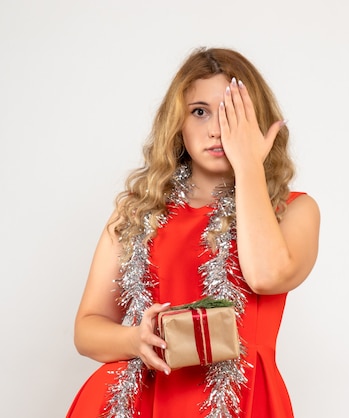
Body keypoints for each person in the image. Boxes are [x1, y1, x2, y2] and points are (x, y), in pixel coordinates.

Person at [66, 47, 320, 418]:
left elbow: (266, 277)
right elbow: (86, 330)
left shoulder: (294, 210)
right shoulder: (139, 210)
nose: (217, 129)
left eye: (233, 112)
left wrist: (248, 164)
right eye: (200, 112)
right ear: (177, 123)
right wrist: (135, 340)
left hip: (241, 400)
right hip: (135, 399)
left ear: (258, 121)